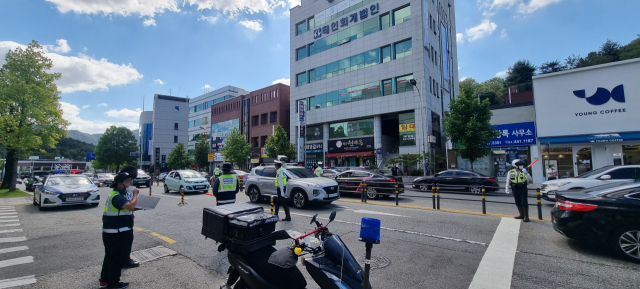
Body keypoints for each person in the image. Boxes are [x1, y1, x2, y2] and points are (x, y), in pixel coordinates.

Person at [99, 167, 139, 289]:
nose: (131, 183)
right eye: (128, 181)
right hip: (117, 232)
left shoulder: (119, 194)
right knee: (116, 259)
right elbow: (129, 206)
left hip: (114, 230)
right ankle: (113, 284)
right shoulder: (117, 196)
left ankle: (104, 280)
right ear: (120, 183)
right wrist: (135, 194)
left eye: (131, 180)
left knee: (110, 257)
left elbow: (126, 208)